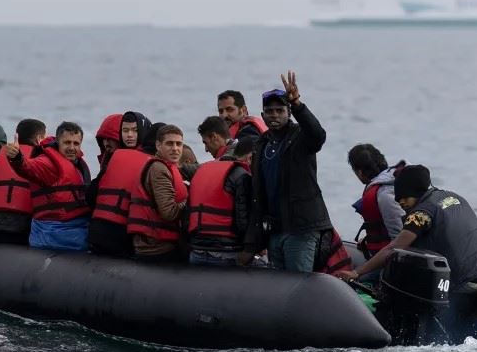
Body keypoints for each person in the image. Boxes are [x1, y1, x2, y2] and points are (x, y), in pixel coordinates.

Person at [335, 164, 477, 296]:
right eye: (398, 199)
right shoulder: (453, 197)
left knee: (392, 274)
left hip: (463, 280)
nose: (401, 203)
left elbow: (394, 248)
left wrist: (356, 272)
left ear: (415, 192)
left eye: (404, 198)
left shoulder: (421, 214)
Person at [243, 71, 333, 272]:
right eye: (269, 111)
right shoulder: (261, 144)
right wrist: (253, 242)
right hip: (274, 230)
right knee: (278, 286)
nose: (274, 115)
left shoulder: (300, 138)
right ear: (263, 115)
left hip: (300, 229)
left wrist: (298, 104)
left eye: (280, 110)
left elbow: (318, 135)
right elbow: (259, 195)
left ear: (288, 113)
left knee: (297, 285)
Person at [6, 121, 91, 251]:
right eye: (67, 143)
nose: (71, 148)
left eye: (76, 143)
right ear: (57, 142)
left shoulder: (77, 164)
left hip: (73, 230)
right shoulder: (48, 163)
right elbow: (29, 167)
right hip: (52, 233)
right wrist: (17, 158)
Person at [187, 139, 255, 267]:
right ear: (250, 158)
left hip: (196, 250)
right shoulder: (241, 175)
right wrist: (251, 248)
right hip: (226, 252)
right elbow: (243, 221)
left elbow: (188, 213)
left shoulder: (202, 170)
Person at [128, 124, 189, 264]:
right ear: (158, 145)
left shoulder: (166, 166)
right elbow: (169, 213)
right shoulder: (158, 169)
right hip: (157, 248)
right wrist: (192, 201)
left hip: (157, 244)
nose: (175, 148)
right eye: (169, 144)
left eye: (179, 144)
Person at [347, 144, 406, 261]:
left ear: (359, 172)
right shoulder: (391, 181)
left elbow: (399, 239)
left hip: (396, 258)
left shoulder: (384, 195)